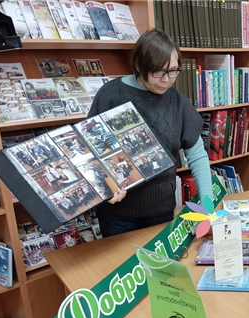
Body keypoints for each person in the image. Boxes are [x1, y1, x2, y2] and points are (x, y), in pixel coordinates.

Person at [86, 29, 213, 238]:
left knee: (159, 267)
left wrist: (207, 203)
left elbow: (197, 155)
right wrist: (104, 185)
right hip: (117, 213)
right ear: (138, 65)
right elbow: (88, 148)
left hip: (161, 211)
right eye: (159, 72)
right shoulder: (110, 95)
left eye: (173, 71)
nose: (167, 80)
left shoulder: (178, 102)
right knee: (121, 267)